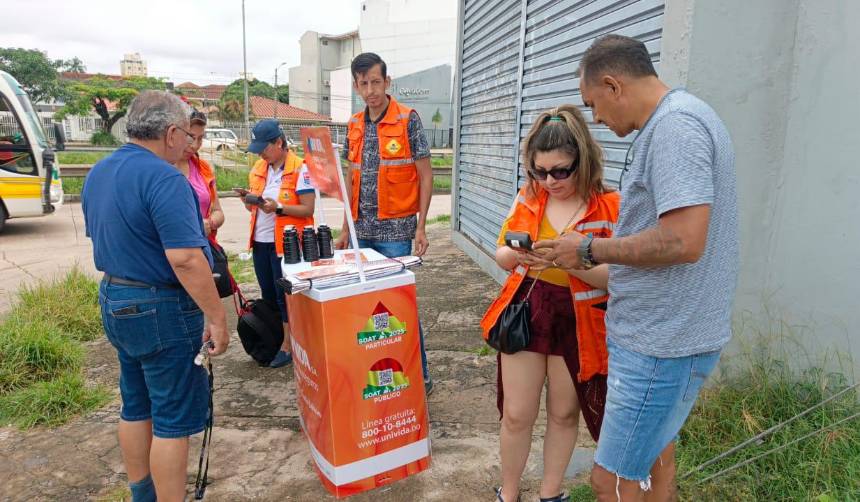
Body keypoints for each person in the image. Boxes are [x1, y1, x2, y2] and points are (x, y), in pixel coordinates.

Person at [536, 35, 738, 501]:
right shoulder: (680, 121)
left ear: (613, 85)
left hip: (661, 345)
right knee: (655, 461)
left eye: (594, 105)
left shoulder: (675, 129)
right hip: (668, 336)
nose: (598, 120)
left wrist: (591, 249)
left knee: (612, 482)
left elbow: (683, 240)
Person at [82, 91, 229, 502]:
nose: (188, 144)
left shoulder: (100, 172)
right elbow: (185, 258)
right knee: (172, 420)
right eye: (185, 134)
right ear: (169, 133)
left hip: (116, 298)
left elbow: (106, 236)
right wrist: (217, 318)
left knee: (135, 404)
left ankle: (141, 494)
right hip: (161, 309)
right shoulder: (166, 179)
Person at [481, 105, 619, 502]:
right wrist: (519, 256)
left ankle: (550, 493)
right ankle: (508, 493)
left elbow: (618, 276)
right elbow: (502, 253)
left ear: (583, 160)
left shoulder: (609, 204)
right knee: (517, 414)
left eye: (561, 170)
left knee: (563, 413)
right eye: (540, 171)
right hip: (530, 306)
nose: (550, 181)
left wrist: (567, 260)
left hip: (581, 317)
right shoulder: (528, 196)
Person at [334, 52, 435, 394]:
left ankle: (419, 377)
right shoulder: (354, 124)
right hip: (361, 231)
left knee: (398, 309)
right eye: (364, 83)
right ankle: (379, 376)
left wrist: (421, 227)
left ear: (387, 82)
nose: (371, 90)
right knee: (366, 310)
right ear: (356, 85)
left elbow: (425, 174)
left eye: (376, 82)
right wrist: (346, 228)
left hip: (396, 231)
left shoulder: (409, 119)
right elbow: (351, 175)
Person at [241, 119, 316, 368]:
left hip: (286, 245)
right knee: (269, 295)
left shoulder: (300, 168)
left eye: (264, 147)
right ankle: (277, 337)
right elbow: (258, 206)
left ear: (279, 142)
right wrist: (249, 200)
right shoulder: (260, 169)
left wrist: (279, 208)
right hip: (261, 242)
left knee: (286, 297)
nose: (260, 153)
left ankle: (289, 345)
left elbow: (307, 208)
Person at [175, 110, 224, 239]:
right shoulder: (159, 169)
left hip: (203, 247)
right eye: (190, 137)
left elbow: (217, 211)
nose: (195, 146)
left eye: (200, 138)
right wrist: (196, 226)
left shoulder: (203, 168)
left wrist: (210, 223)